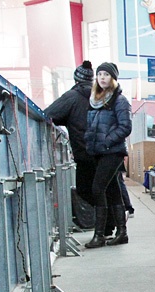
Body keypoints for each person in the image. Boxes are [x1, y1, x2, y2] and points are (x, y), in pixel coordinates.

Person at [83, 62, 132, 248]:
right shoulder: (95, 100)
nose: (102, 77)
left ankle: (100, 235)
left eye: (106, 74)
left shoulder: (119, 100)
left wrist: (107, 141)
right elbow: (92, 126)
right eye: (100, 74)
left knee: (98, 188)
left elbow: (125, 126)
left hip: (112, 151)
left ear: (113, 78)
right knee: (112, 191)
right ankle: (121, 233)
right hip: (100, 152)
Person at [45, 60, 95, 219]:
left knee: (86, 190)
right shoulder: (101, 96)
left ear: (76, 79)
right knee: (104, 190)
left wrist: (66, 121)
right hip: (104, 152)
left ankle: (103, 227)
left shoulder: (72, 97)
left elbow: (49, 114)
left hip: (83, 152)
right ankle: (109, 226)